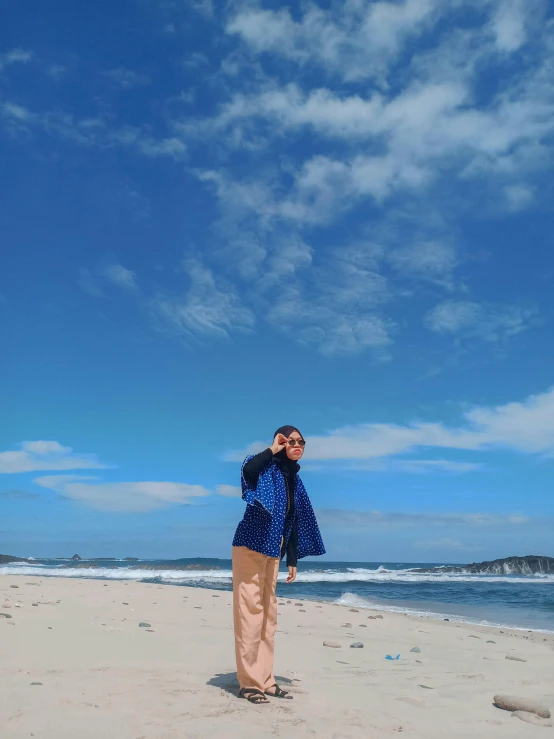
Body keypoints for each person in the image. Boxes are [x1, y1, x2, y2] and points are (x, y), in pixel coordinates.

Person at [232, 425, 325, 704]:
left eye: (301, 442)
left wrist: (292, 559)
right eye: (290, 441)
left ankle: (266, 679)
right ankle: (249, 684)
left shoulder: (294, 479)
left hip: (274, 550)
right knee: (250, 615)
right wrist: (273, 448)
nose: (296, 445)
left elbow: (293, 519)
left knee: (268, 619)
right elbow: (248, 472)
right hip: (249, 546)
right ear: (281, 443)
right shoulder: (264, 466)